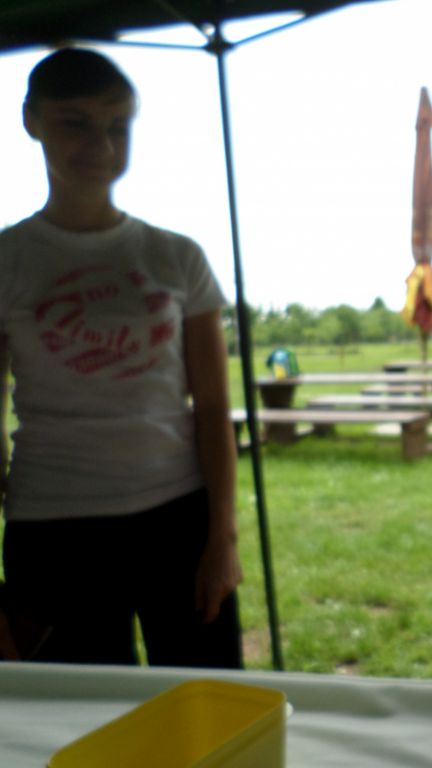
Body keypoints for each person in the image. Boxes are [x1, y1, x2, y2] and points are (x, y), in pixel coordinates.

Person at [0, 47, 242, 667]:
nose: (102, 144)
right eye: (75, 122)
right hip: (52, 527)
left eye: (118, 125)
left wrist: (222, 538)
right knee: (80, 713)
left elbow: (214, 410)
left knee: (205, 702)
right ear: (31, 121)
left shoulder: (176, 256)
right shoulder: (9, 260)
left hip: (178, 519)